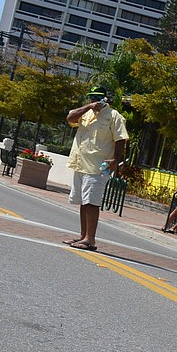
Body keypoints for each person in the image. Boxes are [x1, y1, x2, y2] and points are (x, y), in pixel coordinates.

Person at [64, 87, 128, 251]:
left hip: (98, 166)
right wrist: (88, 107)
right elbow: (70, 117)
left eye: (97, 98)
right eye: (91, 97)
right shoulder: (85, 113)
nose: (94, 100)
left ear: (105, 99)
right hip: (80, 164)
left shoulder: (114, 116)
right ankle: (83, 236)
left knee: (92, 202)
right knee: (84, 202)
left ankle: (90, 239)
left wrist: (115, 160)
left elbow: (121, 139)